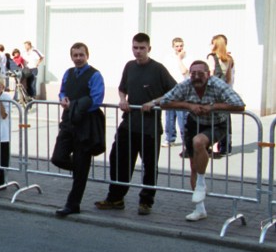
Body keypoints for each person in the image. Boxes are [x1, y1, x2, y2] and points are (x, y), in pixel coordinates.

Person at [143, 60, 245, 221]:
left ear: (208, 74)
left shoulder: (218, 85)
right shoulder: (186, 85)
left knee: (198, 142)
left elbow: (239, 105)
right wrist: (188, 105)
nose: (196, 77)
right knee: (193, 166)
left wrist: (213, 107)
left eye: (200, 73)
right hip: (194, 123)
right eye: (193, 73)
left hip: (216, 124)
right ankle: (200, 209)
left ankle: (201, 184)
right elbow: (166, 100)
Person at [94, 33, 176, 216]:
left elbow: (174, 91)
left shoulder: (158, 69)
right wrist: (123, 99)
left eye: (142, 48)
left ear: (149, 49)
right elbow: (122, 88)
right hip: (129, 124)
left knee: (149, 166)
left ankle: (146, 201)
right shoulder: (129, 66)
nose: (138, 51)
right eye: (135, 48)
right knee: (118, 159)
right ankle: (116, 198)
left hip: (150, 128)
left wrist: (153, 102)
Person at [51, 42, 105, 217]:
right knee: (58, 158)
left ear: (87, 55)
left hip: (86, 124)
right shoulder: (68, 73)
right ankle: (80, 169)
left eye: (81, 55)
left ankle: (72, 204)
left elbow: (96, 99)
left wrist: (75, 107)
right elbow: (62, 91)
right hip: (68, 122)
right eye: (75, 55)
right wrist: (63, 99)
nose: (78, 58)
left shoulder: (95, 75)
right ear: (71, 57)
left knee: (81, 164)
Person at [207, 34, 234, 157]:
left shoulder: (212, 57)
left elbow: (210, 74)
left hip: (214, 93)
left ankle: (208, 144)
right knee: (225, 119)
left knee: (210, 119)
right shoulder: (229, 59)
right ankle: (225, 146)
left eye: (212, 43)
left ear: (216, 44)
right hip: (225, 92)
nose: (210, 45)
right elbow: (229, 78)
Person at [164, 37, 189, 149]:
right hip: (170, 88)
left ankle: (186, 140)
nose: (179, 48)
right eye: (177, 46)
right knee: (169, 115)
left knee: (182, 116)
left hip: (182, 89)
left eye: (181, 45)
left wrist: (179, 59)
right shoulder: (168, 58)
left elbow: (184, 71)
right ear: (173, 46)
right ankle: (169, 138)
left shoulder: (187, 57)